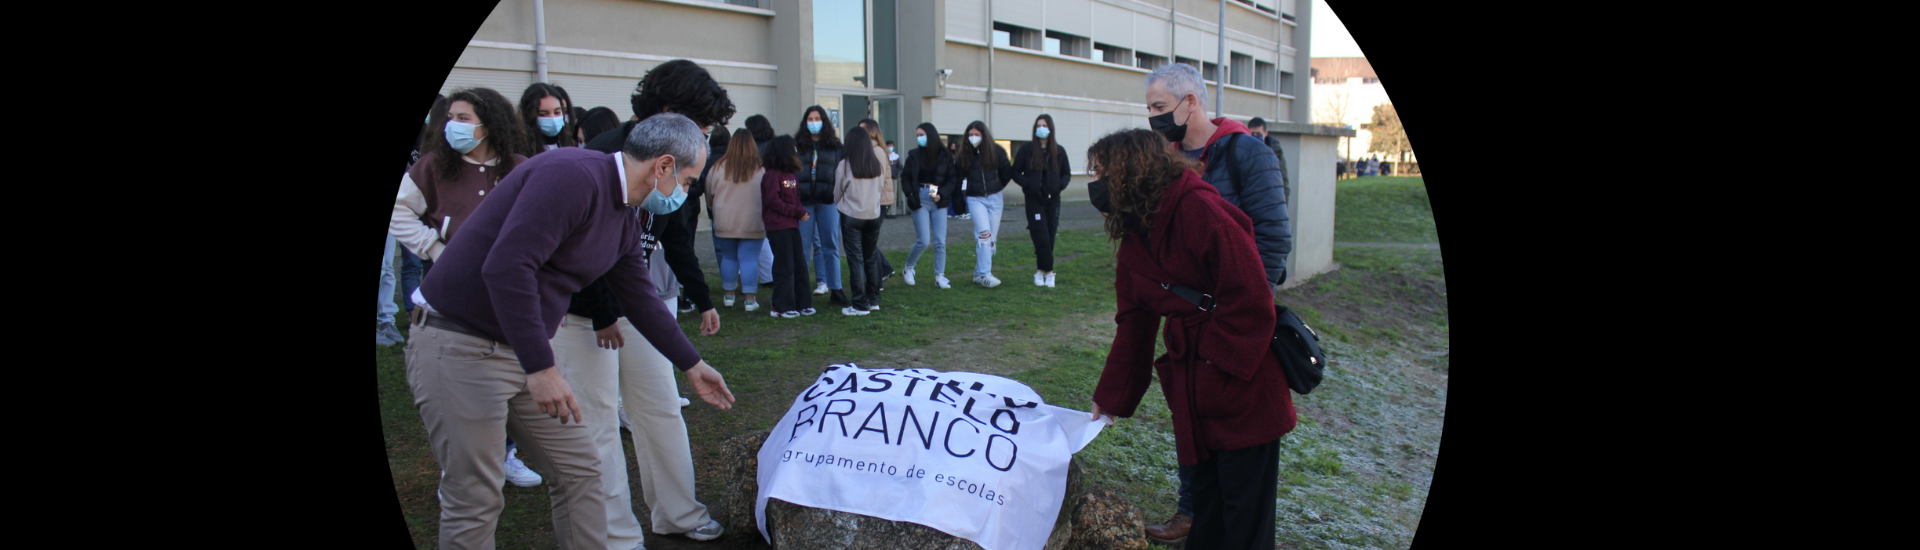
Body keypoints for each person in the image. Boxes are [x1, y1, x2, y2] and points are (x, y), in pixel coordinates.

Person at [408, 112, 738, 550]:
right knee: (475, 495)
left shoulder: (622, 214)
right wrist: (541, 368)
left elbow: (640, 298)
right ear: (663, 166)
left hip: (517, 349)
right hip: (459, 342)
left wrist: (692, 365)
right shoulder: (572, 175)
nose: (686, 192)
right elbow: (507, 267)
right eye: (689, 180)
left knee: (580, 470)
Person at [1086, 129, 1294, 550]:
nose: (1097, 184)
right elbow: (1134, 325)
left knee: (1245, 520)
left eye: (1104, 173)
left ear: (1133, 172)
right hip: (1193, 387)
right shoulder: (1135, 236)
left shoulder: (1200, 210)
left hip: (1242, 382)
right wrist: (1111, 397)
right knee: (1207, 511)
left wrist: (1218, 365)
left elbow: (1252, 296)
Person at [1141, 61, 1294, 545]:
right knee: (1193, 427)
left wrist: (1248, 315)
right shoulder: (1164, 160)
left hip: (1233, 322)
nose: (1153, 117)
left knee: (1240, 450)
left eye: (1160, 107)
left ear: (1191, 102)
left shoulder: (1246, 153)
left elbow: (1272, 238)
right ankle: (1193, 512)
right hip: (1187, 328)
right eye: (1148, 109)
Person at [391, 87, 548, 494]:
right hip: (451, 294)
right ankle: (459, 463)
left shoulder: (518, 167)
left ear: (490, 124)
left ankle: (507, 453)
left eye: (464, 119)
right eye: (451, 118)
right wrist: (433, 247)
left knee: (506, 380)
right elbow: (399, 210)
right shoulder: (433, 166)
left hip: (507, 293)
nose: (453, 126)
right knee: (458, 386)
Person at [582, 59, 733, 328]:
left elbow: (676, 236)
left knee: (661, 370)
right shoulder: (605, 155)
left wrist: (702, 298)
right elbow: (581, 245)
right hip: (587, 311)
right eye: (700, 126)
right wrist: (601, 313)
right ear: (668, 111)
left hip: (635, 300)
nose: (701, 139)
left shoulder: (679, 161)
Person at [707, 127, 767, 312]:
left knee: (729, 258)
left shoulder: (718, 167)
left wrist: (713, 211)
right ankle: (749, 300)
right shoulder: (760, 167)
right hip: (753, 220)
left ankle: (728, 296)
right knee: (749, 259)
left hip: (725, 219)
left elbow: (709, 193)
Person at [793, 106, 848, 305]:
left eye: (817, 118)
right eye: (810, 118)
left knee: (831, 246)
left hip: (828, 202)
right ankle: (801, 290)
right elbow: (790, 176)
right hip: (805, 204)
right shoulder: (797, 145)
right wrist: (793, 191)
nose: (813, 122)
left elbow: (842, 173)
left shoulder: (835, 146)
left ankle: (836, 288)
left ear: (824, 121)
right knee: (802, 247)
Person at [1011, 113, 1072, 288]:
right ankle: (1049, 271)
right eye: (1038, 125)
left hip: (1053, 200)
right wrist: (1027, 184)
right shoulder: (1027, 150)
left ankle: (1040, 270)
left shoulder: (1059, 151)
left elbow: (1066, 173)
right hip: (1033, 200)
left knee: (1050, 234)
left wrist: (1059, 185)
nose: (1041, 129)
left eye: (1044, 125)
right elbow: (1015, 171)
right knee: (1040, 235)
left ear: (1050, 128)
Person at [834, 125, 890, 315]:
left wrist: (840, 204)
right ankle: (873, 300)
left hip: (852, 216)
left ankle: (859, 304)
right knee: (870, 258)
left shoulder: (846, 164)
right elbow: (881, 187)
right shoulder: (876, 164)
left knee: (855, 260)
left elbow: (837, 191)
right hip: (873, 216)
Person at [953, 120, 1016, 288]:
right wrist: (959, 201)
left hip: (995, 198)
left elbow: (1006, 172)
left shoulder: (996, 152)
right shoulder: (964, 155)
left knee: (991, 239)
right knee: (984, 235)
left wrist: (996, 187)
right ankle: (985, 274)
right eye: (971, 135)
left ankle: (978, 273)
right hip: (975, 199)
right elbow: (957, 178)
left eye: (977, 134)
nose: (973, 138)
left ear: (984, 135)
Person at [761, 135, 815, 318]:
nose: (796, 152)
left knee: (799, 263)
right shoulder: (771, 175)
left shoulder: (791, 174)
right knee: (784, 266)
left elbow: (797, 197)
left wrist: (799, 211)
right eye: (793, 148)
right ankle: (781, 306)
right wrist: (795, 212)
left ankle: (803, 303)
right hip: (777, 226)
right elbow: (772, 200)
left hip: (792, 225)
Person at [900, 122, 956, 289]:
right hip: (920, 197)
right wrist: (910, 194)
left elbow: (952, 179)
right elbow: (906, 177)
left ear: (931, 135)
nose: (919, 138)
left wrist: (943, 194)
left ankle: (940, 275)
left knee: (940, 240)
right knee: (923, 240)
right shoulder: (914, 155)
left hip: (938, 199)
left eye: (922, 134)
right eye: (917, 135)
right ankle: (909, 268)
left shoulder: (945, 156)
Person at [854, 118, 897, 285]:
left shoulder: (876, 151)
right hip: (875, 201)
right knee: (867, 239)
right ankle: (884, 270)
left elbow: (875, 180)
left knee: (868, 240)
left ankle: (877, 277)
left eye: (862, 130)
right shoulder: (869, 150)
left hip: (879, 201)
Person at [517, 82, 578, 156]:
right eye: (543, 114)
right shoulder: (520, 150)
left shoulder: (571, 143)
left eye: (557, 112)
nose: (553, 118)